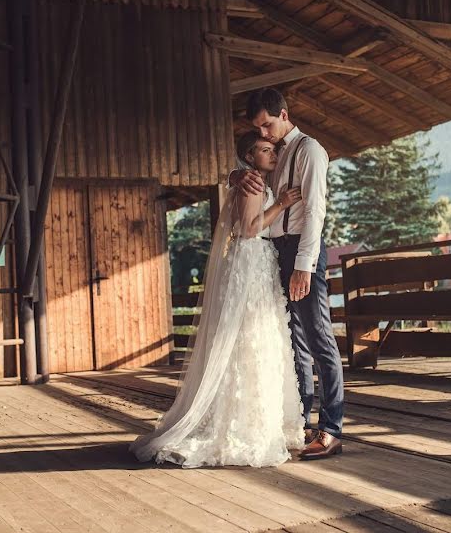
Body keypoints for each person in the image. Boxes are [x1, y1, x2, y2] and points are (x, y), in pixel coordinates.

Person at [130, 131, 305, 468]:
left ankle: (257, 420)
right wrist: (281, 204)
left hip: (255, 264)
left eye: (273, 150)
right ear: (250, 157)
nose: (271, 155)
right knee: (248, 338)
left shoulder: (252, 180)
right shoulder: (252, 182)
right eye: (265, 151)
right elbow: (249, 229)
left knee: (256, 337)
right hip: (251, 262)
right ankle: (242, 424)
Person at [230, 87, 344, 460]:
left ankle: (331, 428)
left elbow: (315, 212)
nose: (263, 134)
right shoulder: (275, 154)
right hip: (275, 251)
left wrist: (304, 266)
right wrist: (237, 175)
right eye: (258, 129)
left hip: (300, 251)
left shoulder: (310, 150)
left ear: (284, 114)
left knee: (319, 338)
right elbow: (254, 176)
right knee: (293, 341)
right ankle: (302, 420)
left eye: (267, 125)